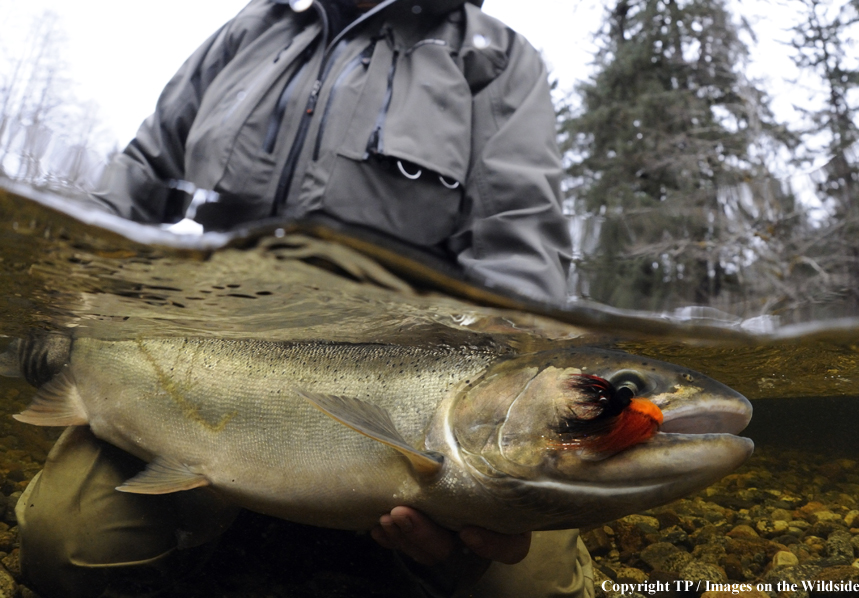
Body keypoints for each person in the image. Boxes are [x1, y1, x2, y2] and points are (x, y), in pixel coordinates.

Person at [16, 1, 593, 596]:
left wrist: (479, 487)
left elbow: (522, 253)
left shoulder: (493, 57)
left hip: (413, 388)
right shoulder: (252, 28)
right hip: (208, 357)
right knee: (69, 550)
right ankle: (238, 515)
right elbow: (140, 174)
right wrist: (70, 291)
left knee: (536, 591)